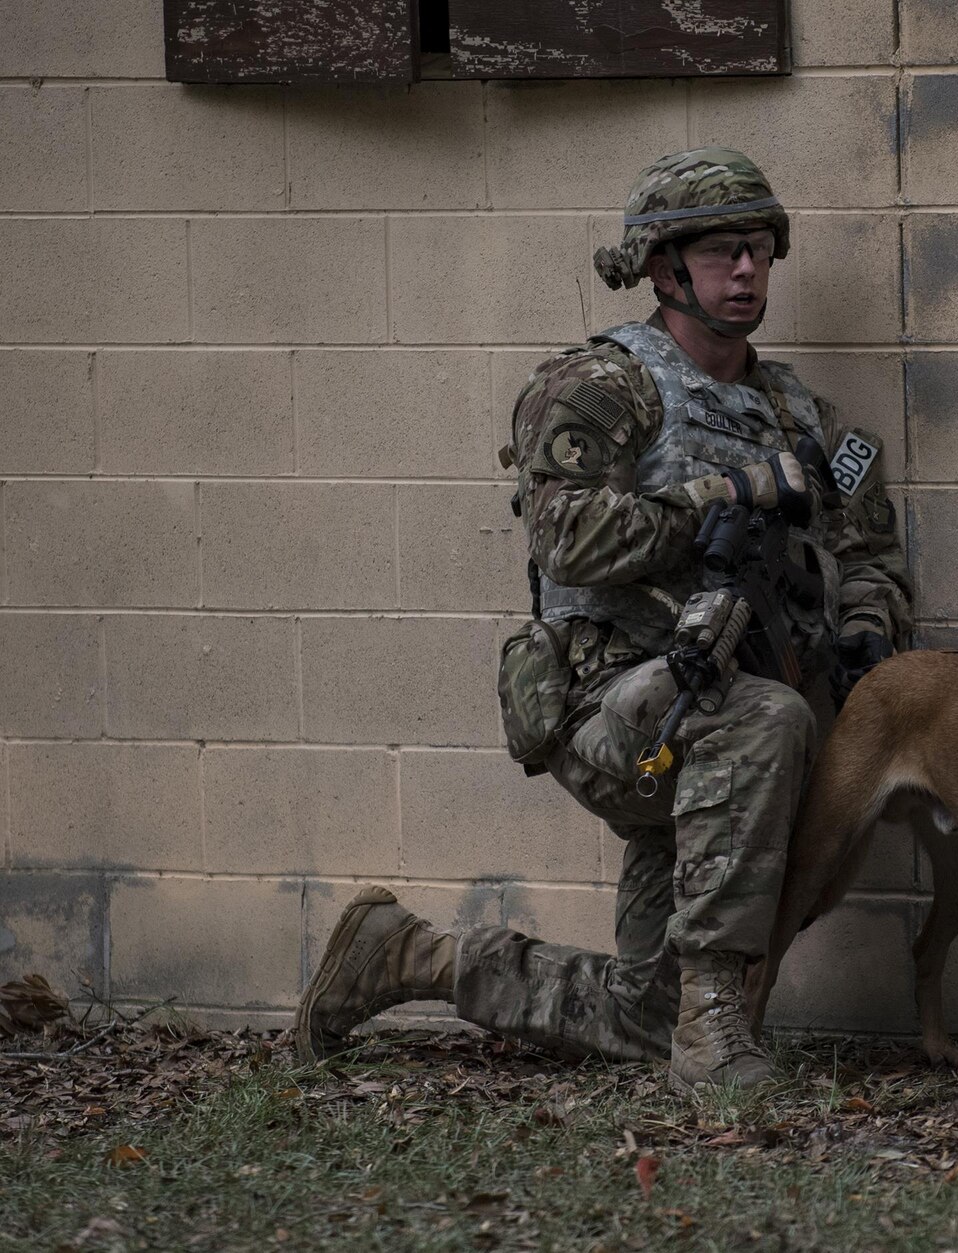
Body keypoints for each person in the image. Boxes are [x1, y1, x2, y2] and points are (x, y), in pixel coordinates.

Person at [294, 148, 912, 1092]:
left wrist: (871, 634)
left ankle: (405, 957)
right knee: (768, 723)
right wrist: (721, 495)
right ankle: (717, 1032)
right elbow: (567, 538)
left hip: (726, 701)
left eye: (759, 251)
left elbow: (873, 550)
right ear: (664, 269)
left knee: (641, 1015)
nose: (747, 271)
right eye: (721, 253)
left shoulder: (804, 417)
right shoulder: (601, 386)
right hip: (607, 701)